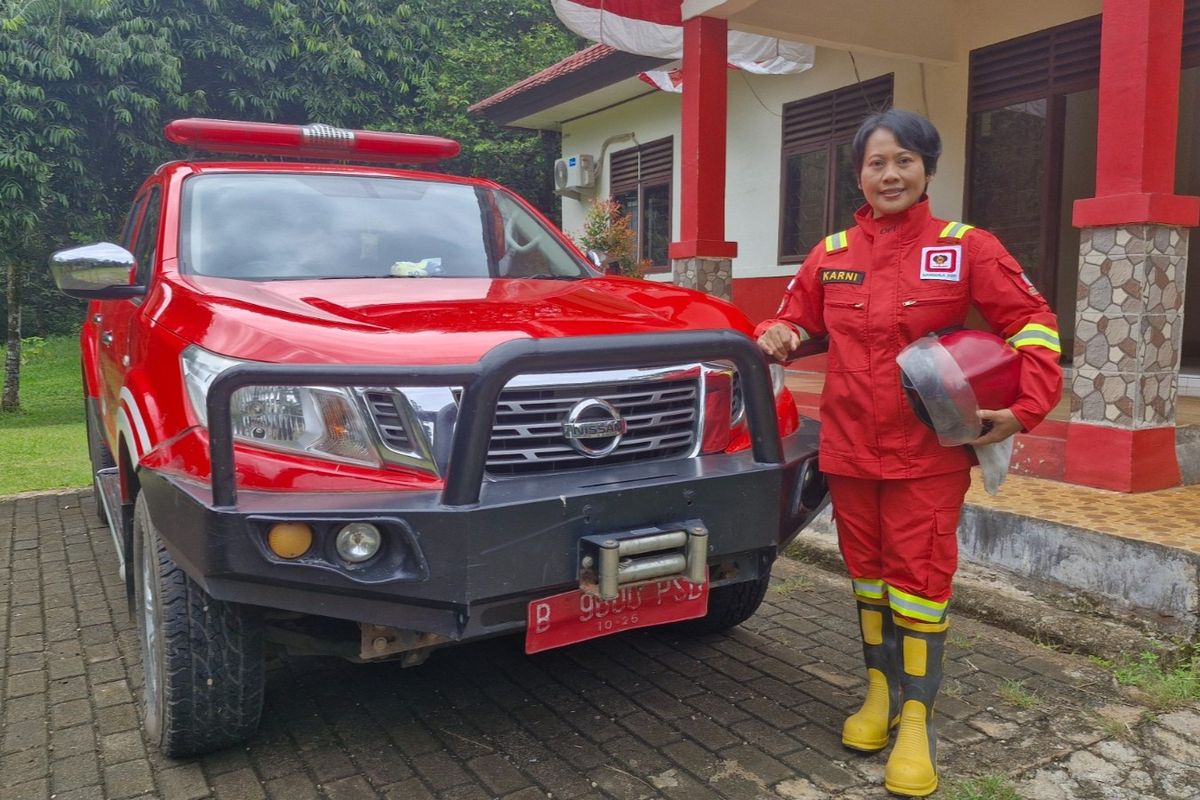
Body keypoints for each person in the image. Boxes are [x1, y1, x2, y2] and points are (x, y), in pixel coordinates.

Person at [756, 109, 1062, 797]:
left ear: (927, 169)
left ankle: (918, 719)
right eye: (875, 162)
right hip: (849, 449)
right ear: (858, 173)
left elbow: (1033, 324)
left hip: (928, 452)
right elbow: (796, 319)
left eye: (904, 161)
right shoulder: (831, 253)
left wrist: (1023, 408)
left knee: (919, 581)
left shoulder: (966, 246)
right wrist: (777, 331)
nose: (889, 174)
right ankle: (878, 693)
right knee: (866, 576)